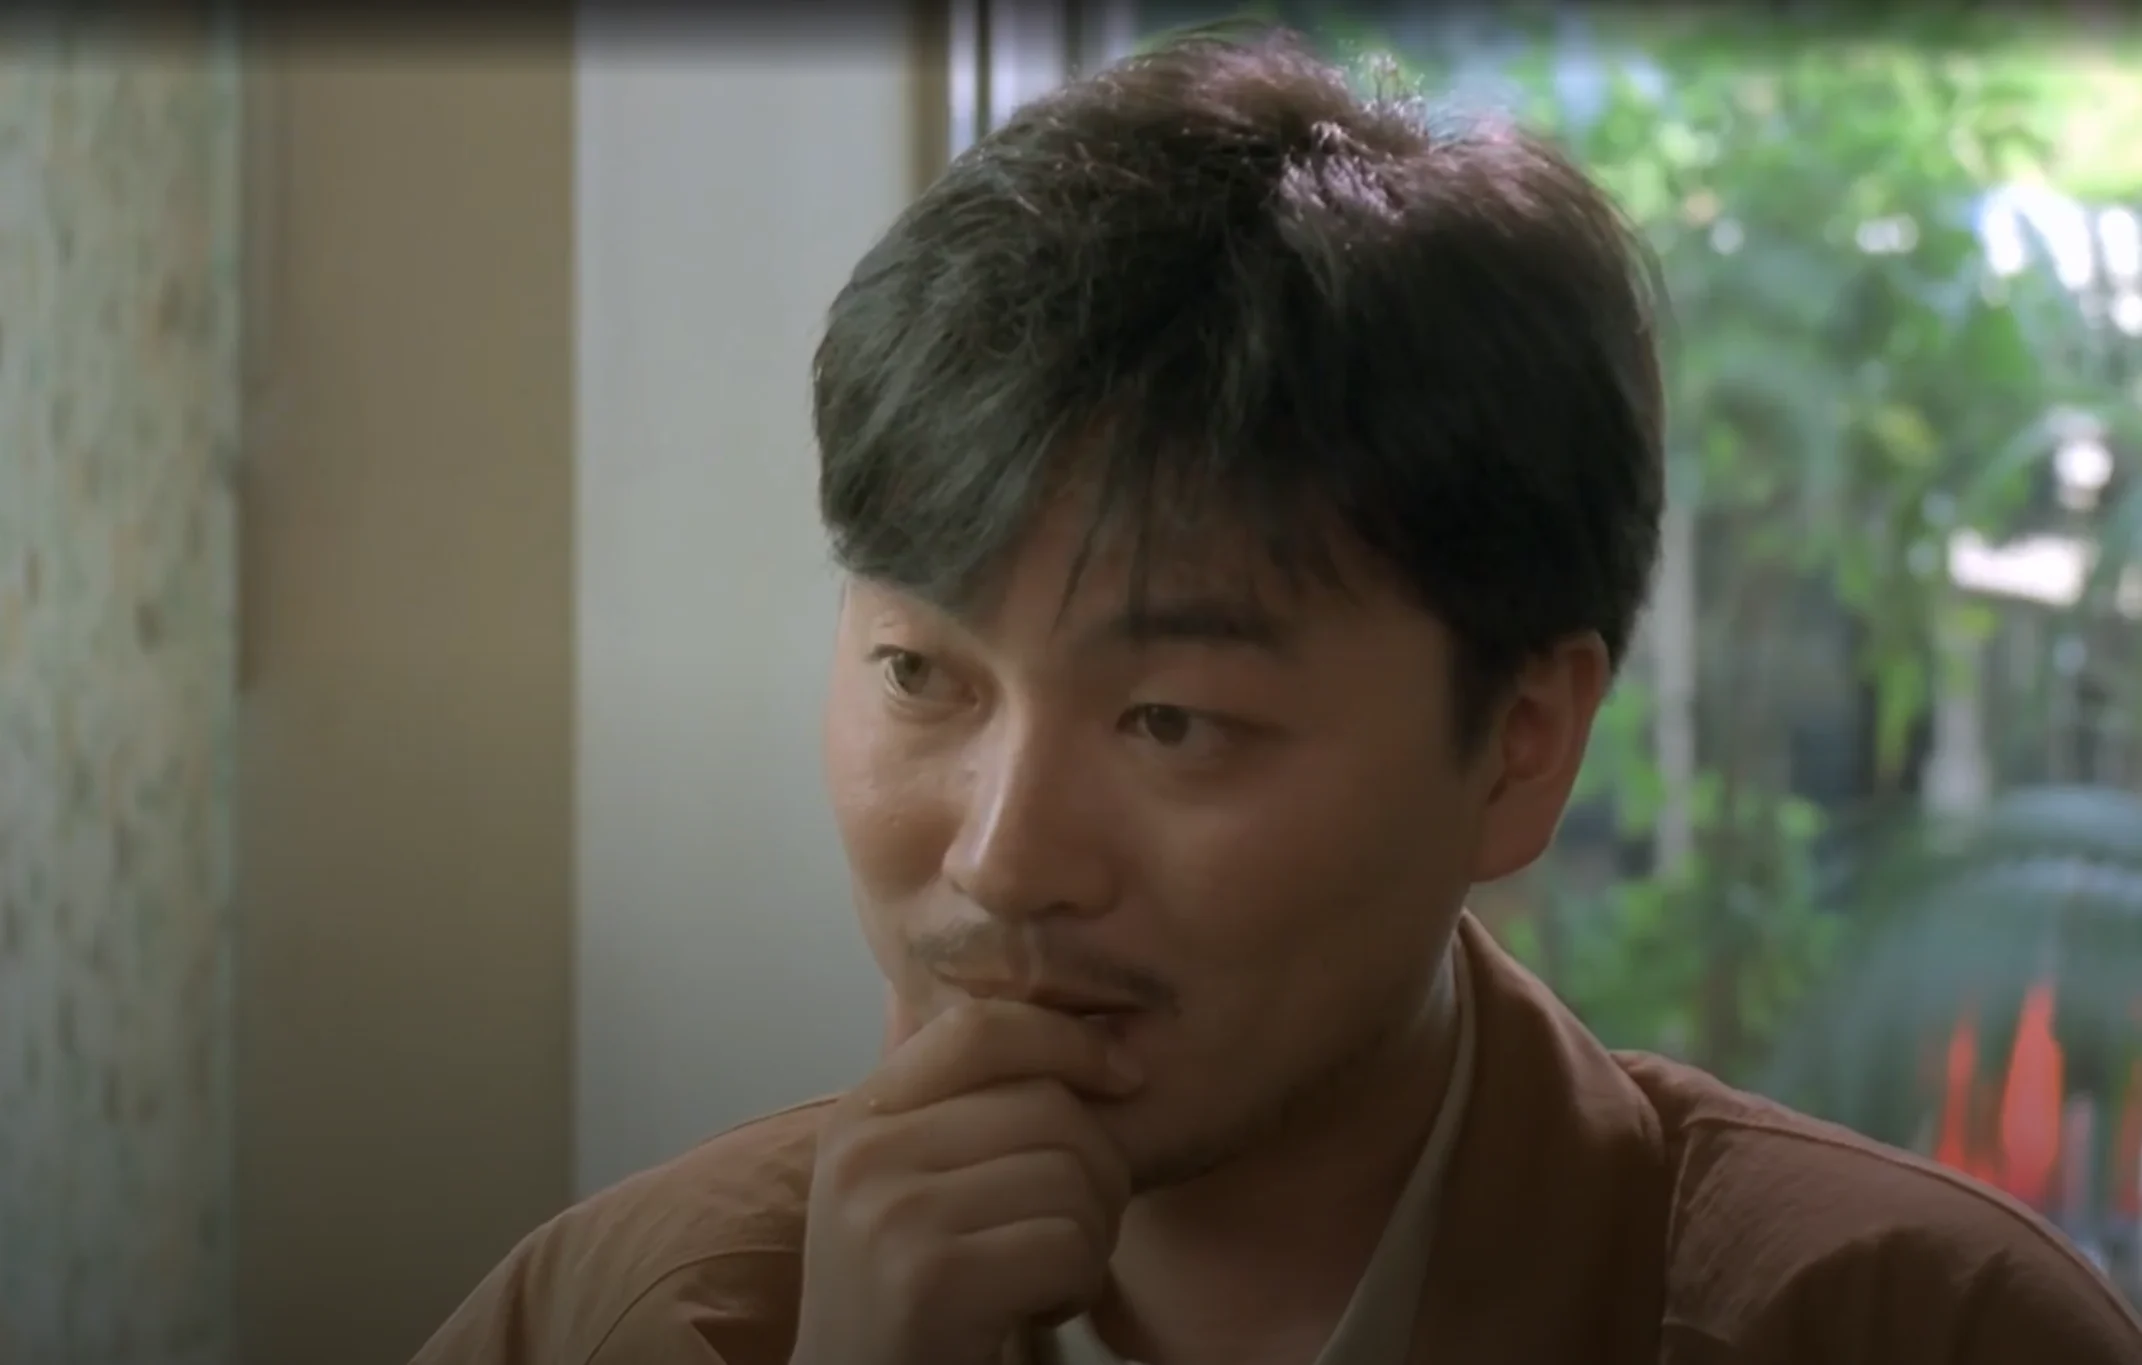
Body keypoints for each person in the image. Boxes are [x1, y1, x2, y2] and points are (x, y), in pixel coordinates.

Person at [415, 26, 2142, 1365]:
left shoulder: (1914, 1327)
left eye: (1169, 720)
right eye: (920, 674)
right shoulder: (619, 1316)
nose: (1005, 861)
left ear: (1520, 744)